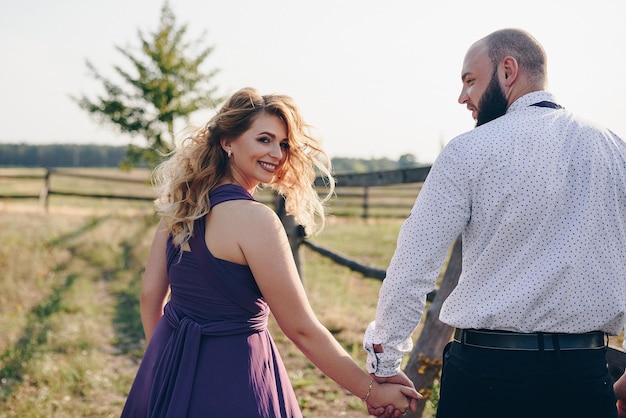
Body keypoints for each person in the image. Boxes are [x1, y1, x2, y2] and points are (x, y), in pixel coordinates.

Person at [363, 28, 626, 418]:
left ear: (508, 70)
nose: (463, 97)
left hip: (486, 378)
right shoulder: (614, 149)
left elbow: (413, 266)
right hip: (585, 377)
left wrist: (384, 369)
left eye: (470, 80)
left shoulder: (468, 150)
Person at [120, 87, 419, 417]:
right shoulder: (257, 220)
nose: (277, 153)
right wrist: (371, 391)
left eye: (284, 144)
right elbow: (300, 328)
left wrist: (163, 365)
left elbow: (150, 296)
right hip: (236, 379)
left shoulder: (179, 210)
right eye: (264, 139)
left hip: (169, 367)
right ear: (227, 142)